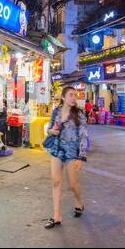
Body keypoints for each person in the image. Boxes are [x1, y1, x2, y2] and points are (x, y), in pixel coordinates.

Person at [44, 86, 89, 229]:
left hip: (71, 152)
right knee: (56, 181)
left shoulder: (79, 114)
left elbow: (83, 136)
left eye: (75, 95)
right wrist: (52, 131)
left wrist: (81, 157)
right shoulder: (56, 112)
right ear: (63, 97)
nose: (74, 98)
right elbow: (49, 129)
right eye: (71, 95)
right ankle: (57, 215)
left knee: (72, 184)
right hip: (56, 149)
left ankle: (79, 202)